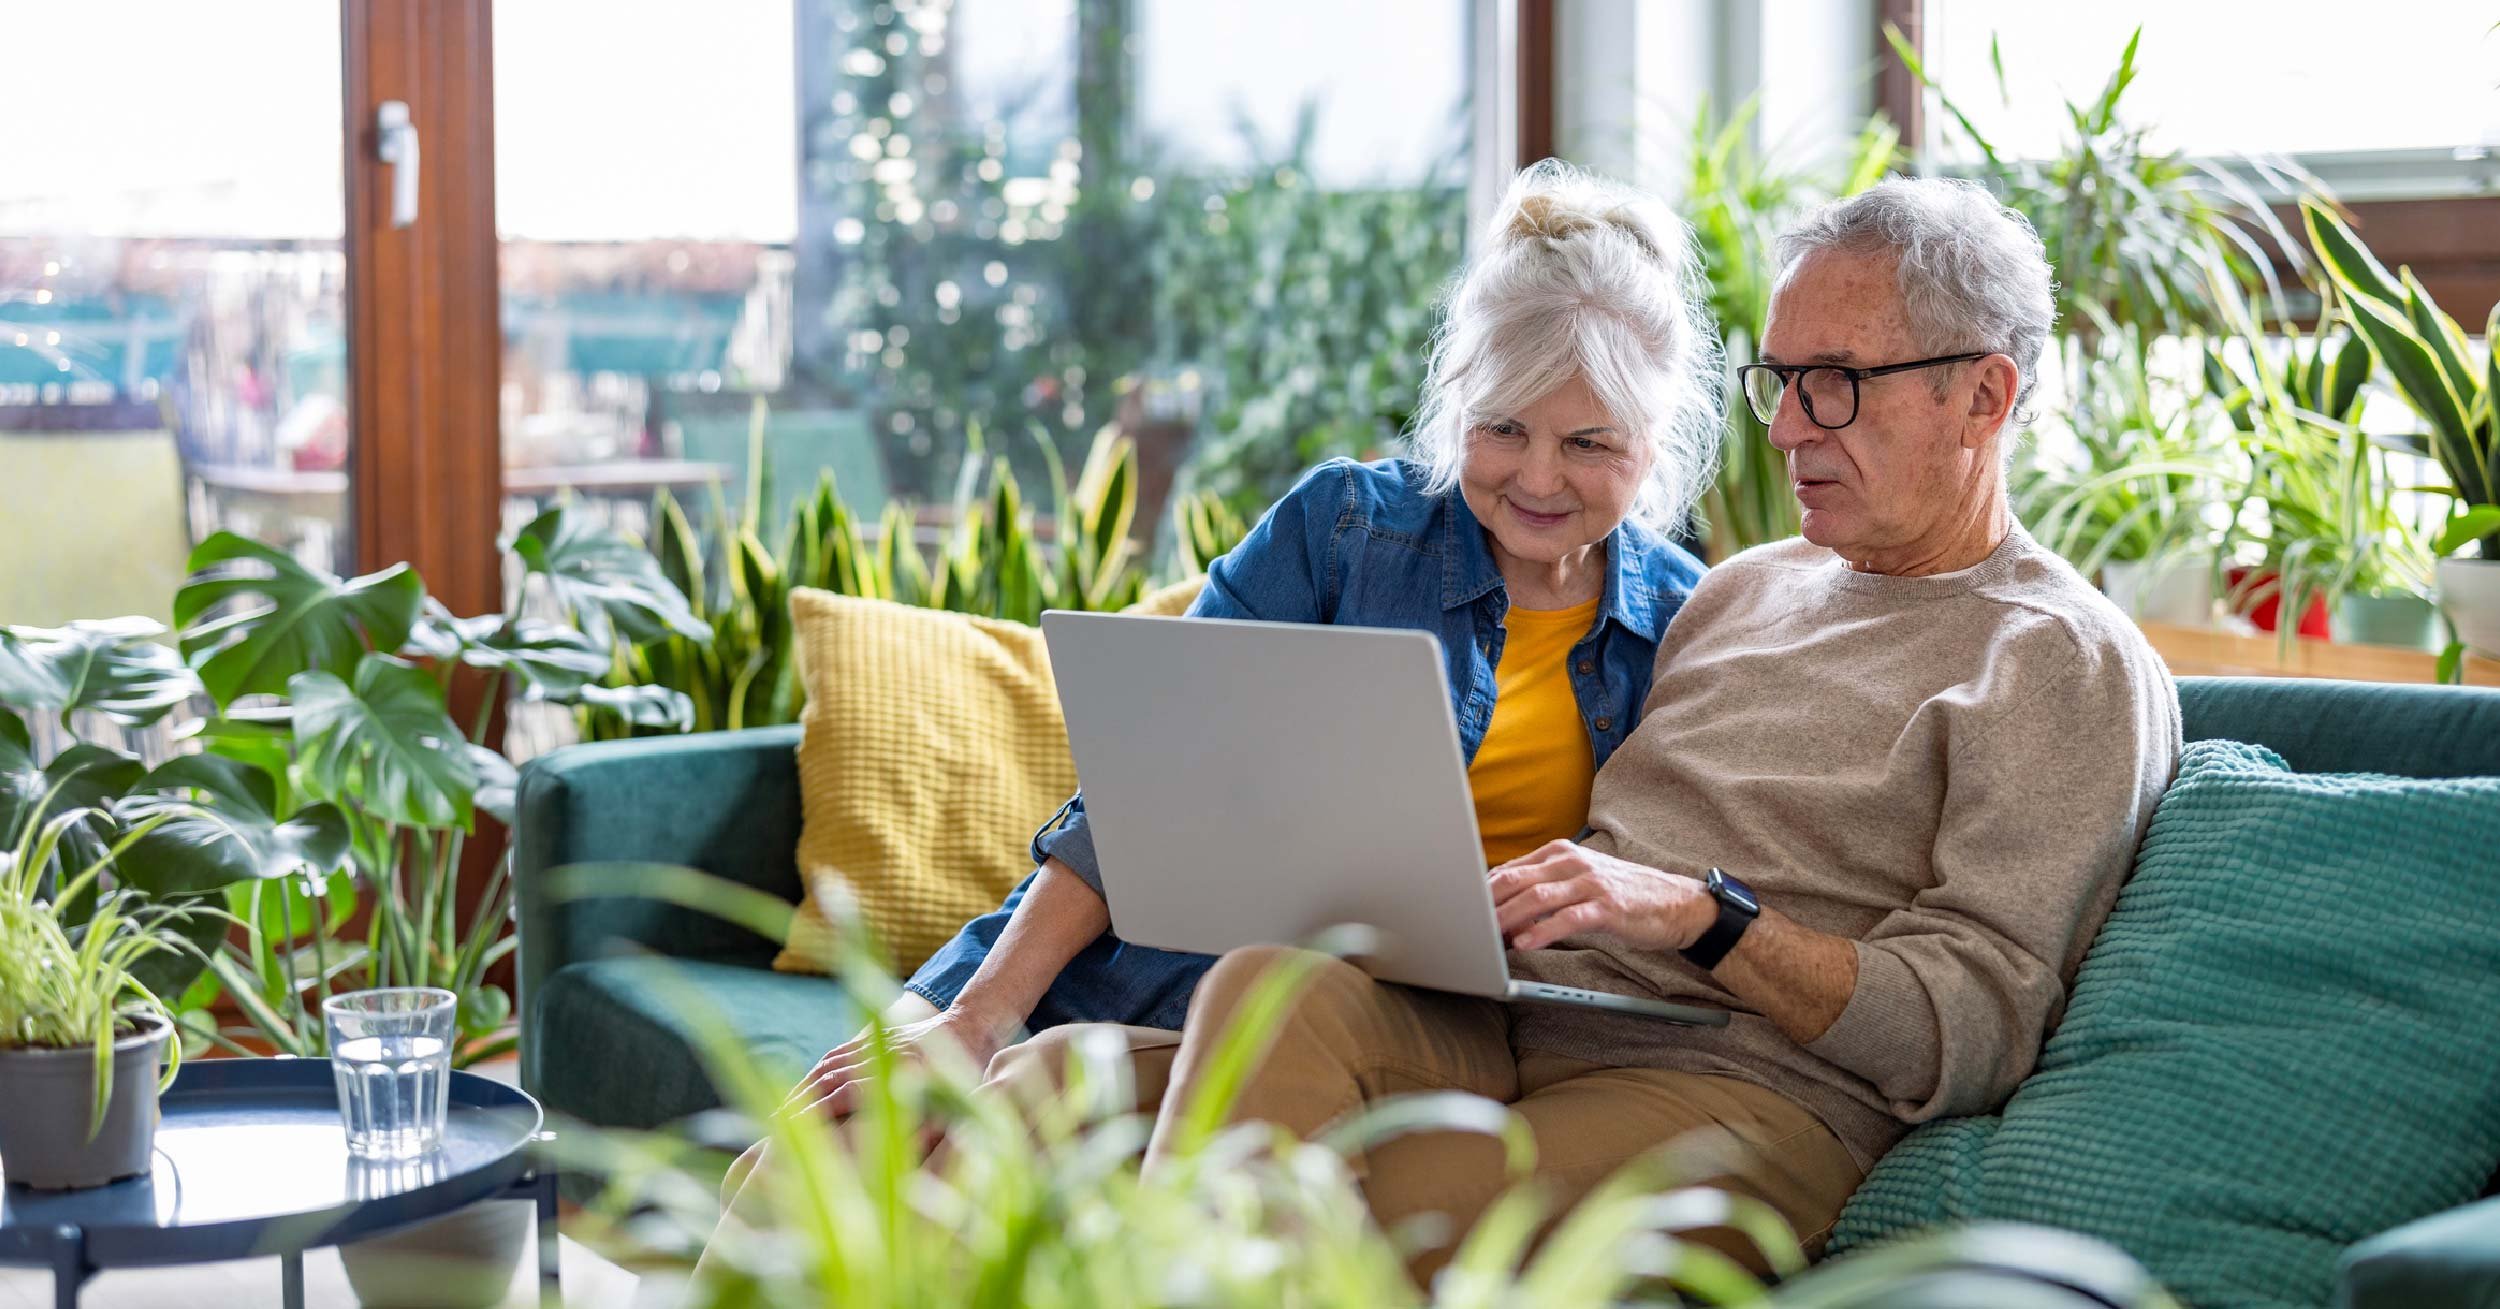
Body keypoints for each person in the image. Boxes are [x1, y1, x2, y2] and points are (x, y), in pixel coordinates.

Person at [1117, 176, 2185, 1282]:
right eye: (1776, 382)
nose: (1783, 429)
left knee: (1325, 1206)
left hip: (1751, 1092)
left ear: (1984, 396)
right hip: (1523, 1024)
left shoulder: (2058, 657)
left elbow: (1972, 1031)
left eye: (1833, 386)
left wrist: (1703, 918)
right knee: (1149, 1039)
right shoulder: (1739, 592)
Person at [738, 160, 1725, 1169]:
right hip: (1134, 958)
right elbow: (1141, 786)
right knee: (791, 1171)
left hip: (1367, 1024)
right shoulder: (1345, 529)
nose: (1537, 475)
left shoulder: (1688, 621)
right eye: (1502, 427)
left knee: (958, 1165)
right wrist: (982, 1011)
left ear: (1652, 444)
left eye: (1587, 442)